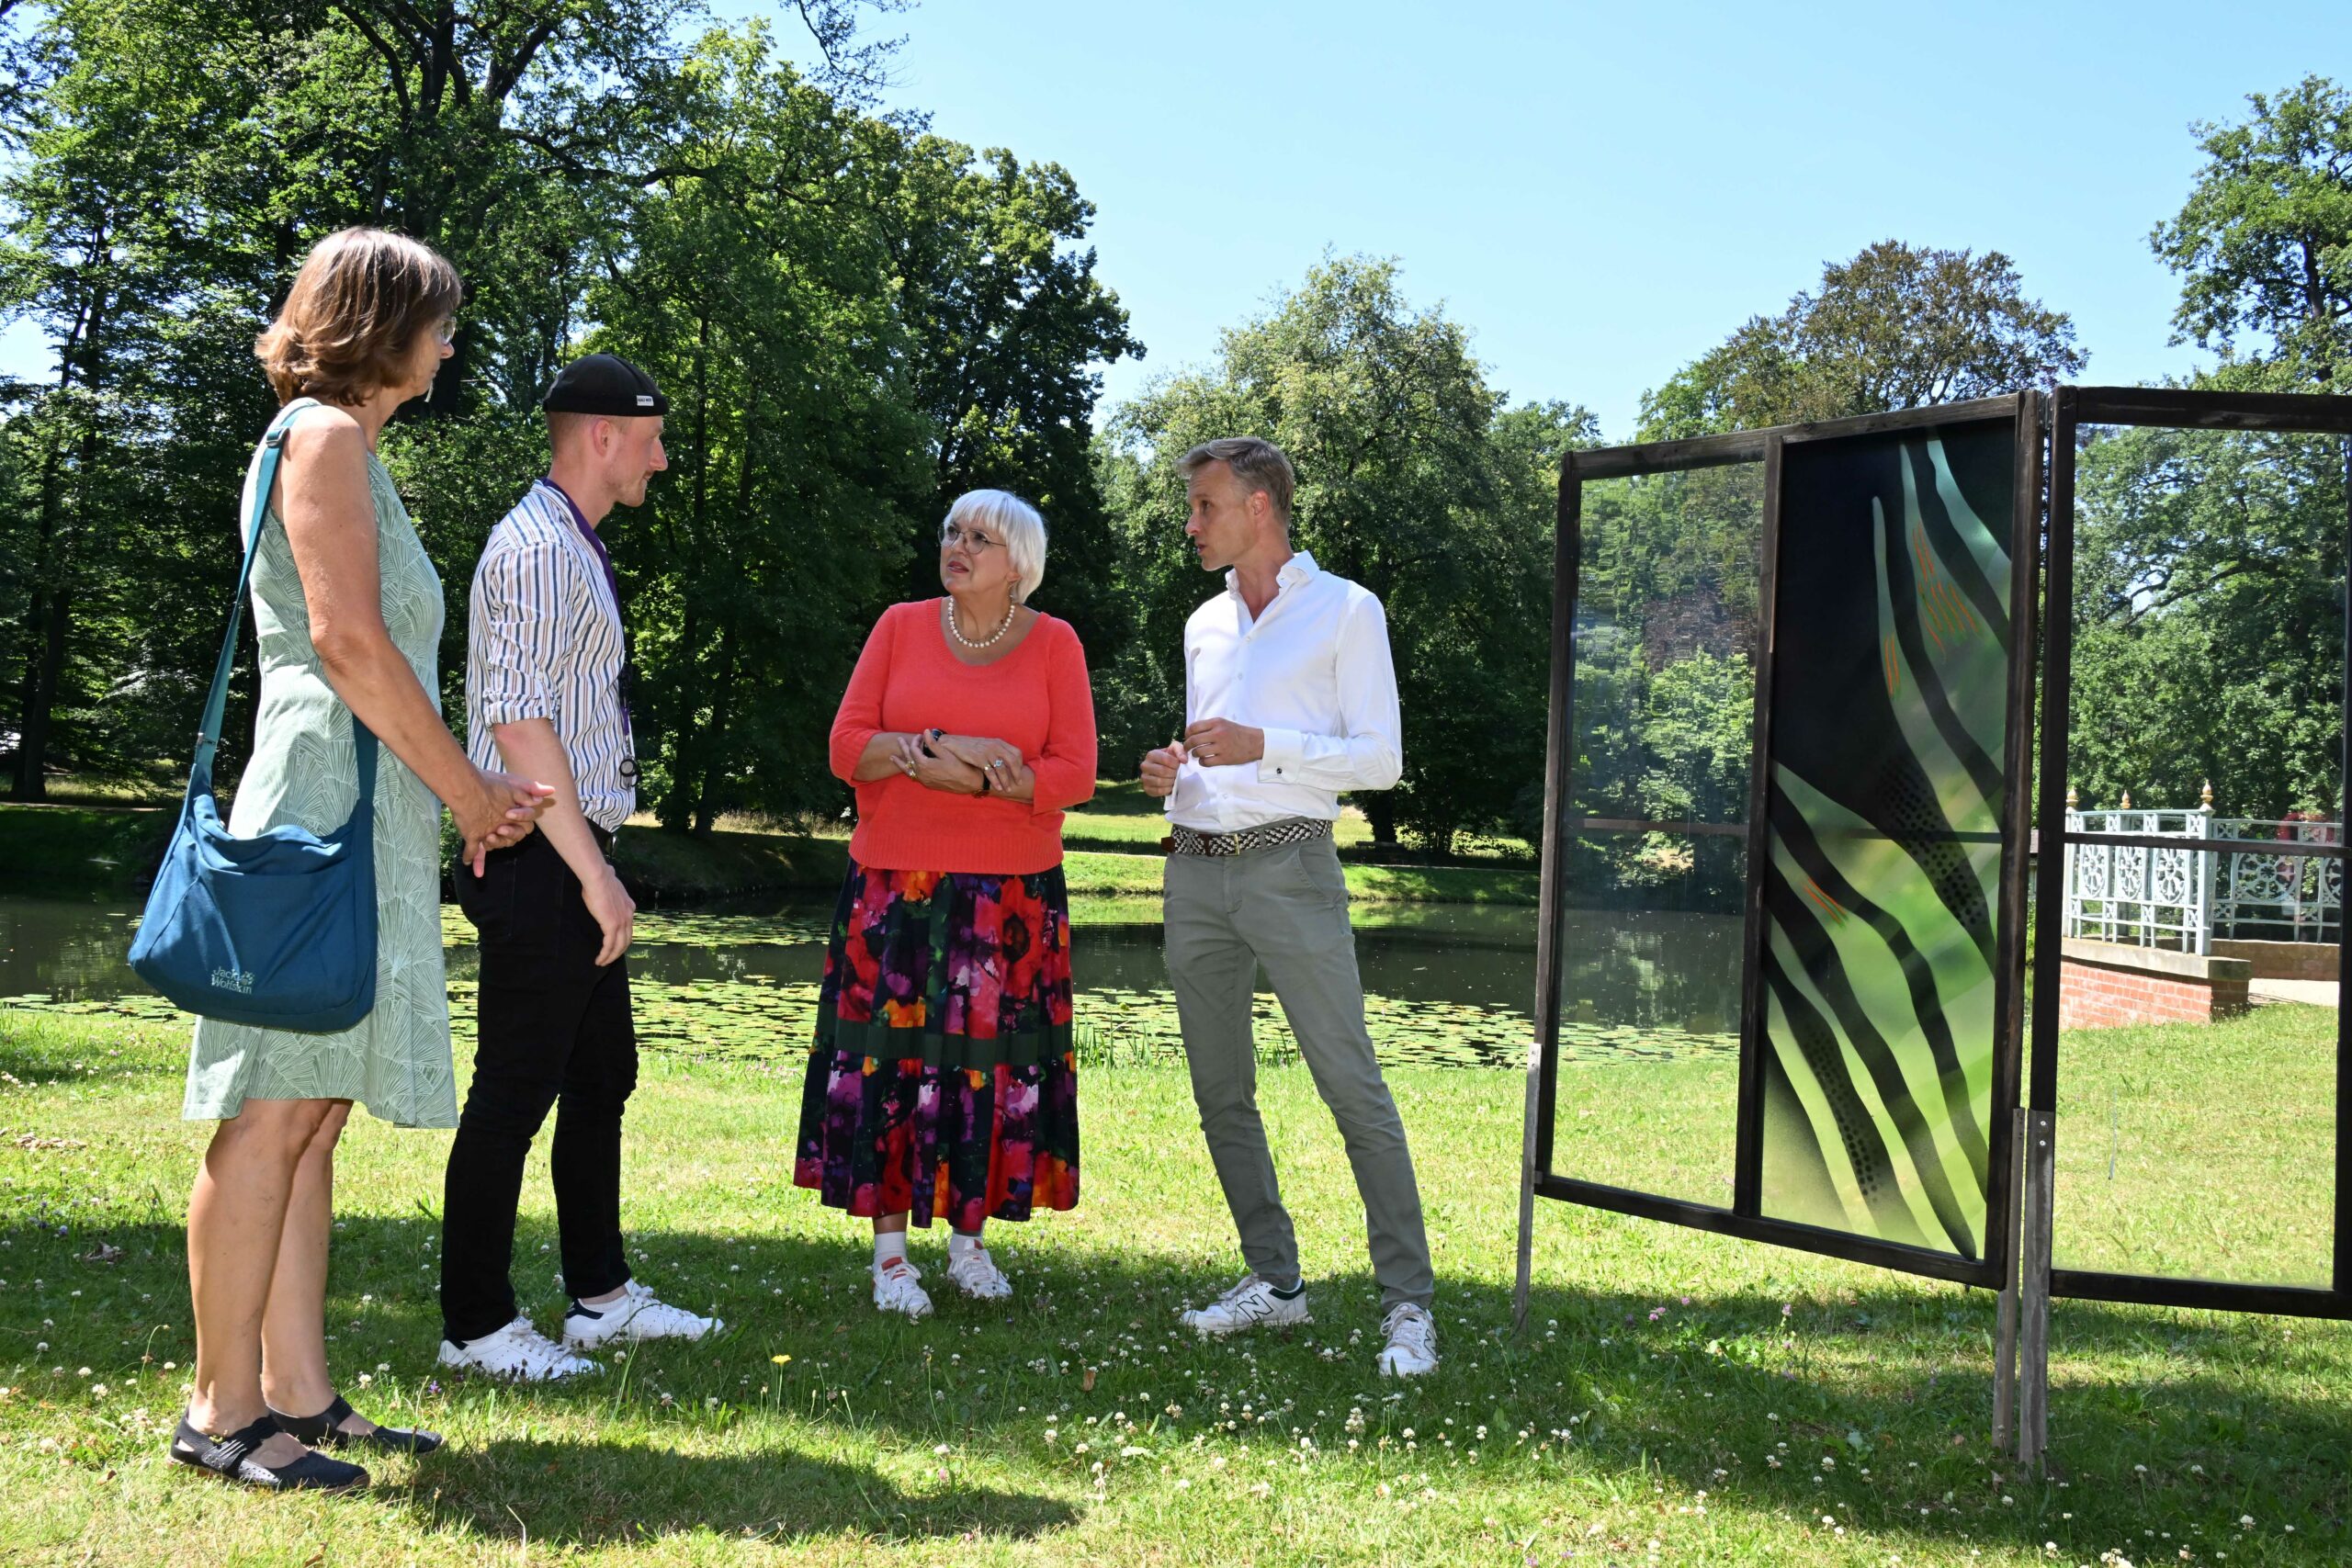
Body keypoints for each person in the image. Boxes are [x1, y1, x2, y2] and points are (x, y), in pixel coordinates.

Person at [175, 227, 554, 1491]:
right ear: (382, 325)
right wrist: (470, 789)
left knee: (314, 1114)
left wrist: (453, 789)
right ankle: (221, 1411)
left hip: (368, 803)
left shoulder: (354, 449)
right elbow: (345, 643)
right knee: (271, 1111)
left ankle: (295, 1390)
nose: (450, 342)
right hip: (324, 800)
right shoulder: (324, 439)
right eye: (438, 320)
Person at [435, 354, 718, 1380]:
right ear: (602, 435)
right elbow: (518, 720)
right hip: (544, 857)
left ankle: (599, 1299)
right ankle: (475, 1325)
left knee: (600, 1075)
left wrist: (595, 860)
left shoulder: (570, 542)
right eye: (652, 440)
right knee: (514, 1093)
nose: (663, 458)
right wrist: (592, 874)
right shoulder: (542, 551)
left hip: (568, 849)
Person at [1139, 436, 1439, 1378]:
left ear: (1258, 506)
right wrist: (1173, 770)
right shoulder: (1203, 624)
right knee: (1220, 1092)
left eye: (1204, 506)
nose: (1190, 524)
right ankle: (1274, 1286)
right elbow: (1211, 753)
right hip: (1193, 871)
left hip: (1290, 870)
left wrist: (1264, 747)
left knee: (1351, 1087)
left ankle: (1408, 1309)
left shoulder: (1347, 611)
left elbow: (1379, 761)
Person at [797, 489, 1097, 1318]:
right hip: (896, 888)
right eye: (952, 533)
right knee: (889, 1063)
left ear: (1019, 567)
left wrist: (980, 778)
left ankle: (969, 1244)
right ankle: (890, 1257)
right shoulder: (898, 625)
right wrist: (946, 753)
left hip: (1010, 895)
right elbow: (846, 744)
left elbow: (1074, 771)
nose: (957, 546)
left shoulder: (1054, 644)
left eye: (980, 538)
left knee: (987, 1066)